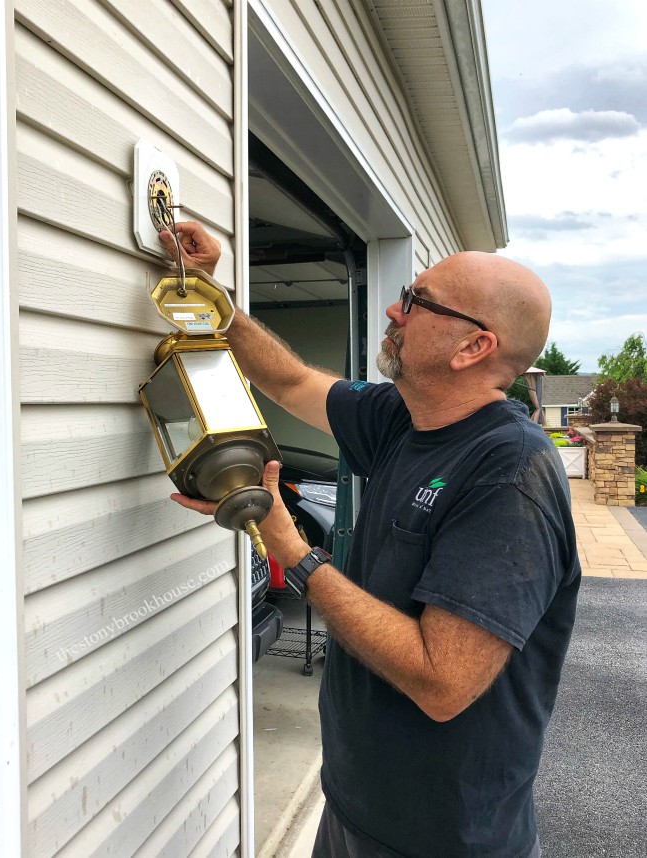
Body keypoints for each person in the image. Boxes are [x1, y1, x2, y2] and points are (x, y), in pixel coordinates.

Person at [160, 223, 581, 858]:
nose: (394, 309)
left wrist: (293, 552)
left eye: (416, 300)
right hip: (357, 806)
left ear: (473, 346)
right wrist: (211, 294)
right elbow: (290, 381)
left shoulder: (509, 474)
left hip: (442, 839)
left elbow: (444, 682)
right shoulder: (401, 419)